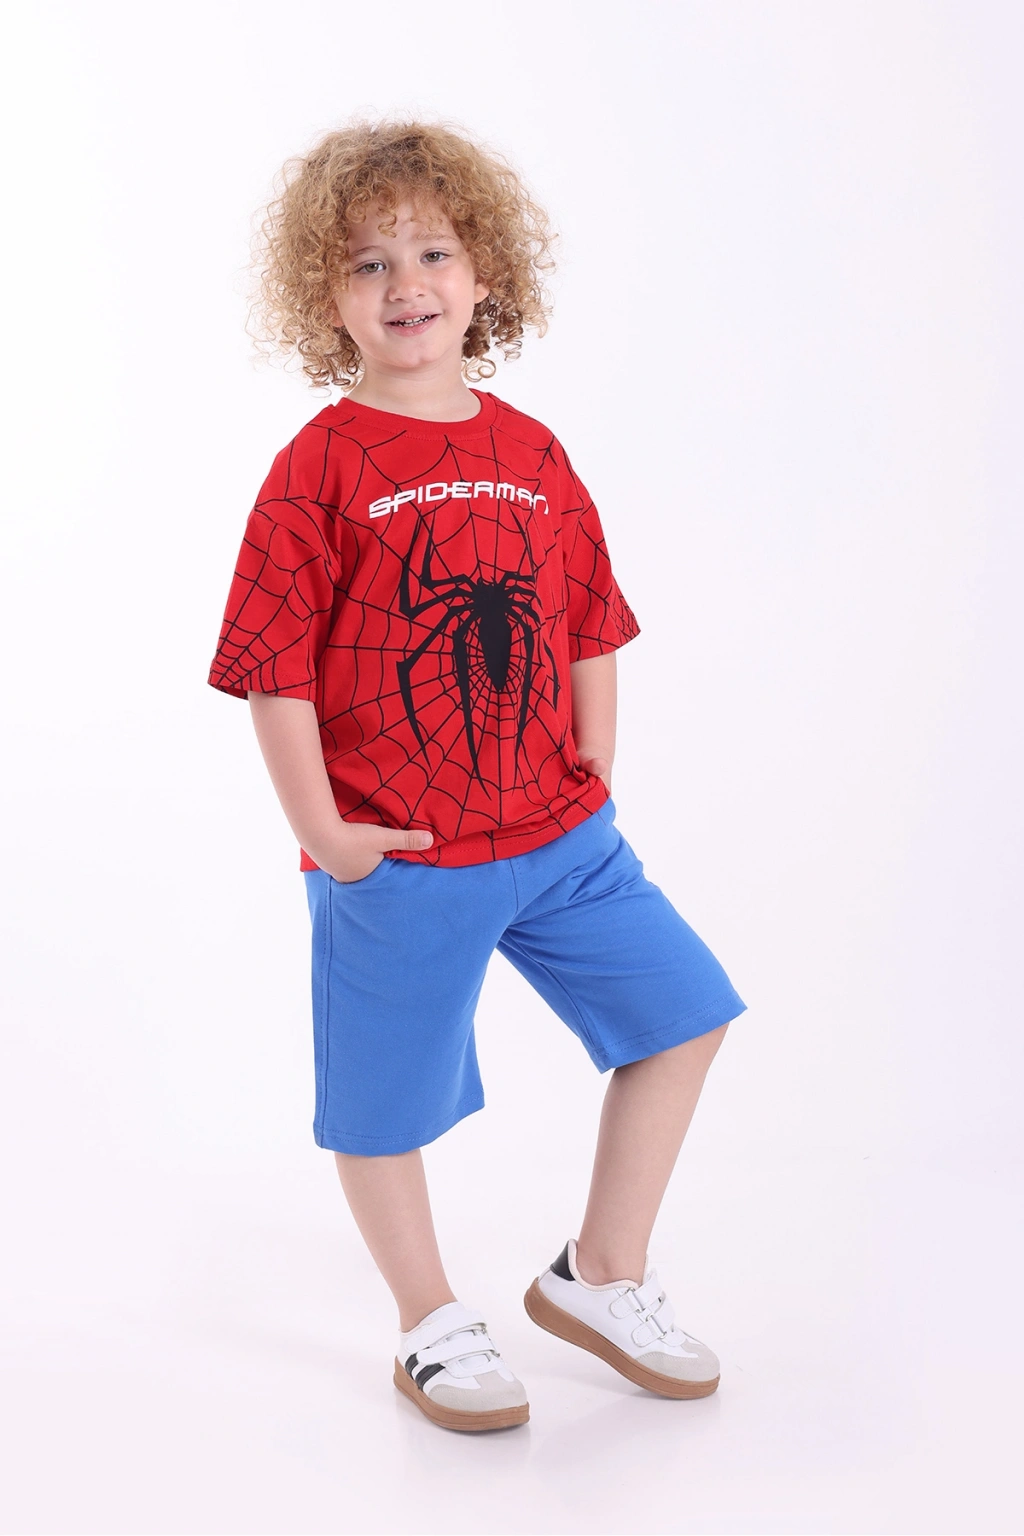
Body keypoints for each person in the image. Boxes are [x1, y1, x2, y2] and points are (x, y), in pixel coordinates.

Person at [208, 118, 748, 1434]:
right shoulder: (319, 465)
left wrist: (597, 758)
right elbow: (275, 665)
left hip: (563, 835)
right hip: (401, 852)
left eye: (433, 253)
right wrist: (328, 832)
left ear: (487, 272)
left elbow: (589, 615)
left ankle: (598, 1276)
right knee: (381, 1103)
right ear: (326, 299)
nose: (407, 285)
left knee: (686, 1015)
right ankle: (429, 1320)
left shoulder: (535, 451)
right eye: (369, 264)